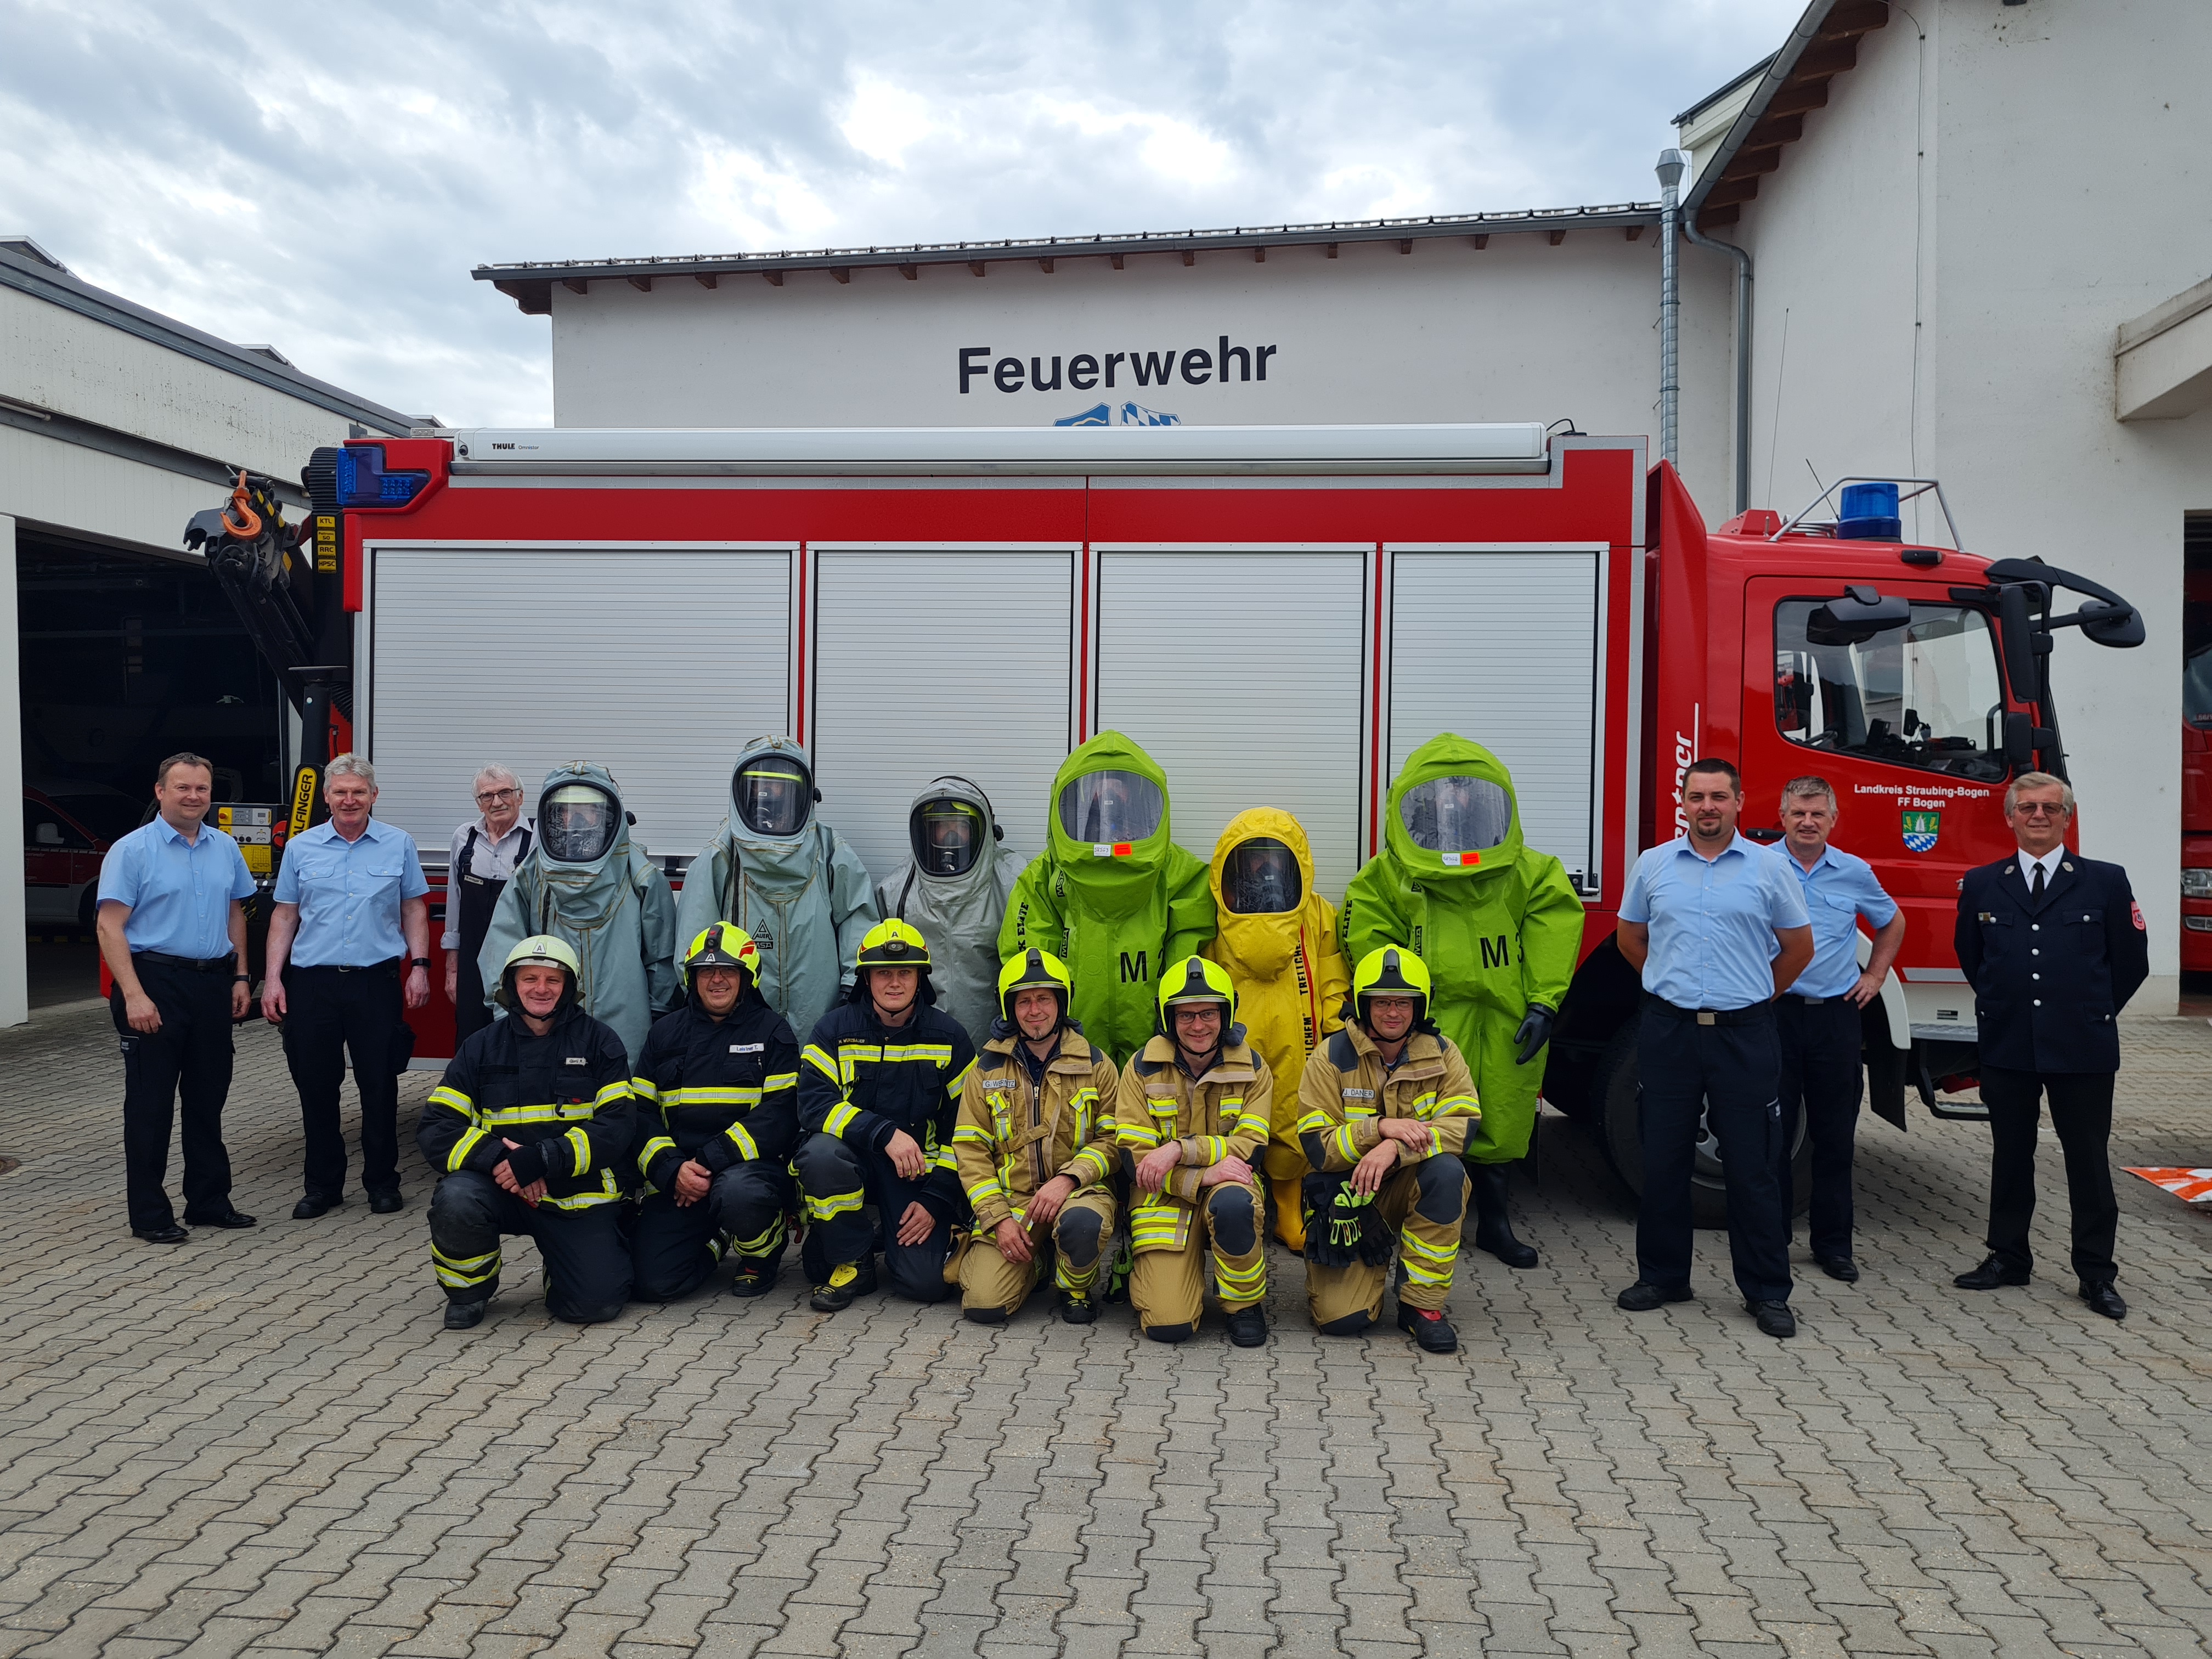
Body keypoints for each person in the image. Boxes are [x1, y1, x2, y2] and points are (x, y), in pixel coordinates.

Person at [1341, 734, 1582, 1268]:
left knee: (1500, 1112)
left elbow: (1554, 924)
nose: (1455, 803)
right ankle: (1422, 1218)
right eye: (1442, 793)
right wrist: (1392, 1011)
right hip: (1428, 1019)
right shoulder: (1392, 874)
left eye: (1466, 791)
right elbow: (1368, 931)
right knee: (1423, 1117)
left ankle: (1495, 1223)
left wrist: (1544, 1004)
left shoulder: (1527, 870)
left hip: (1503, 1016)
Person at [1612, 758, 1814, 1338]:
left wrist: (1755, 995)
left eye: (1719, 797)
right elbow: (1631, 937)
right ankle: (1664, 1276)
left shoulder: (1768, 867)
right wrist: (1665, 982)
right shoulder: (1654, 865)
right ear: (1683, 802)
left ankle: (1767, 1291)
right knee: (1664, 1160)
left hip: (1744, 1034)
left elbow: (1798, 947)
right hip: (1669, 1031)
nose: (1707, 807)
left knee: (1754, 1166)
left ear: (1739, 802)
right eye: (1697, 796)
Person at [1953, 772, 2148, 1321]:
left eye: (2051, 808)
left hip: (2081, 1046)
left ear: (2068, 817)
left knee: (2087, 1158)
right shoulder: (1984, 883)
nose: (2039, 816)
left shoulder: (2104, 882)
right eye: (2028, 808)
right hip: (2009, 1041)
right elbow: (1974, 956)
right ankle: (2008, 1257)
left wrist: (2091, 1011)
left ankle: (2096, 1273)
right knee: (2010, 1156)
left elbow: (2131, 962)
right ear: (2009, 817)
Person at [417, 935, 635, 1328]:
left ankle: (564, 1266)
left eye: (553, 980)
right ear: (511, 986)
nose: (541, 989)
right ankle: (470, 1292)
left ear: (569, 988)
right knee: (457, 1197)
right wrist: (504, 1160)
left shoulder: (600, 1042)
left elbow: (616, 1127)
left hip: (575, 1192)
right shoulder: (480, 1047)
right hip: (502, 1189)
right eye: (529, 978)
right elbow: (437, 1126)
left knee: (593, 1306)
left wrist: (543, 1159)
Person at [94, 752, 258, 1243]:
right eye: (183, 788)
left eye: (202, 789)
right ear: (160, 791)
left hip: (212, 984)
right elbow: (109, 926)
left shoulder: (225, 847)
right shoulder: (132, 851)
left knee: (208, 1101)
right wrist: (135, 995)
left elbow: (237, 915)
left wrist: (241, 976)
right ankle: (149, 1214)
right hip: (154, 983)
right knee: (151, 1106)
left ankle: (208, 1202)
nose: (193, 797)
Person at [262, 754, 431, 1219]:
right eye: (341, 792)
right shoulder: (301, 848)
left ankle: (382, 1184)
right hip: (312, 985)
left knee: (379, 1086)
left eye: (359, 791)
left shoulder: (398, 845)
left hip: (375, 984)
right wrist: (273, 979)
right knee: (316, 1087)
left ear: (374, 796)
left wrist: (419, 966)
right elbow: (285, 916)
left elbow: (414, 908)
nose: (350, 800)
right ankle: (322, 1186)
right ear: (327, 798)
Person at [1295, 946, 1477, 1353]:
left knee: (1447, 1173)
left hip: (1408, 1182)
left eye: (1403, 1002)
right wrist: (1376, 1129)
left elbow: (1463, 1127)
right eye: (1381, 1002)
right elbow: (1316, 1146)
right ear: (1363, 1004)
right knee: (1342, 1321)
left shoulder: (1444, 1054)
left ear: (1420, 1006)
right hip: (1349, 1197)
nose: (1392, 1012)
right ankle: (1363, 1278)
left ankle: (1421, 1306)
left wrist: (1393, 1147)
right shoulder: (1330, 1056)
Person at [794, 918, 977, 1310]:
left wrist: (937, 1200)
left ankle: (876, 1234)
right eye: (883, 974)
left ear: (920, 979)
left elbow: (966, 1129)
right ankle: (850, 1257)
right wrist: (884, 1133)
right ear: (866, 979)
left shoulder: (950, 1038)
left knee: (924, 1284)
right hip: (849, 1164)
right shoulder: (833, 1030)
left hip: (915, 1175)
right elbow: (813, 1104)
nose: (894, 983)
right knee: (820, 1154)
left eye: (905, 973)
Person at [1000, 731, 1216, 1062]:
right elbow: (1028, 956)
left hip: (1158, 1033)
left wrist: (1178, 1012)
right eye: (1100, 791)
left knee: (1146, 1108)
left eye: (1120, 788)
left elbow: (1189, 953)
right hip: (1068, 1034)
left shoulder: (1178, 874)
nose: (1110, 802)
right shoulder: (1046, 875)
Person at [1772, 776, 1906, 1283]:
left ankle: (1833, 1246)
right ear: (1783, 816)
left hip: (1834, 1018)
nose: (1808, 822)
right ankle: (1772, 1239)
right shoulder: (1760, 866)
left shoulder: (1853, 872)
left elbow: (1892, 922)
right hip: (1775, 1015)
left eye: (1817, 814)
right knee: (1773, 1135)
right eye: (1798, 813)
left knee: (1835, 1138)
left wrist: (1875, 976)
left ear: (1833, 820)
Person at [1201, 808, 1350, 1249]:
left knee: (1291, 1112)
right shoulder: (1214, 914)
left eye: (1275, 860)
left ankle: (1288, 1201)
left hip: (1296, 1032)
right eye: (1253, 860)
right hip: (1236, 1035)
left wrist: (1335, 1029)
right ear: (1232, 864)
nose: (1265, 871)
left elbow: (1331, 975)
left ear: (1296, 864)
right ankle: (1233, 1196)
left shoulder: (1317, 913)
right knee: (1228, 1111)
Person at [630, 924, 802, 1301]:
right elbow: (640, 1113)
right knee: (655, 1284)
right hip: (680, 1181)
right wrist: (671, 1169)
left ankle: (762, 1252)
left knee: (738, 1193)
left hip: (747, 1172)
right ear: (692, 978)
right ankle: (716, 1239)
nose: (717, 980)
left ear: (747, 977)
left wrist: (709, 1161)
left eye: (728, 971)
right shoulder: (664, 1034)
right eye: (706, 971)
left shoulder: (773, 1033)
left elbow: (780, 1116)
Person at [951, 949, 1122, 1324]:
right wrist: (998, 1220)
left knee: (1082, 1224)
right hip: (1014, 1203)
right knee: (983, 1306)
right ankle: (1040, 1259)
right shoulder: (986, 1069)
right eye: (1024, 1001)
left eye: (1044, 998)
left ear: (1062, 1003)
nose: (1035, 1010)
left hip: (1079, 1194)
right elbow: (971, 1151)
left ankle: (1075, 1287)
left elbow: (1114, 1141)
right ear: (1009, 1008)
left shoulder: (1097, 1065)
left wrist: (1068, 1179)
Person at [675, 736, 879, 1046]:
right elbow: (694, 947)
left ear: (805, 795)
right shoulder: (721, 856)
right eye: (762, 787)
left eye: (783, 788)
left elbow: (858, 922)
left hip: (822, 1017)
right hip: (737, 1024)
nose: (771, 798)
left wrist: (852, 991)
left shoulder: (830, 852)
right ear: (743, 793)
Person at [1110, 956, 1271, 1347]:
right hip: (1162, 1197)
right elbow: (1135, 1160)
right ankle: (1145, 1262)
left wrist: (1180, 1149)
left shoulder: (1253, 1068)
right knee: (1169, 1327)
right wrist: (1202, 1174)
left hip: (1231, 1186)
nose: (1198, 1026)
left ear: (1226, 1013)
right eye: (1185, 1016)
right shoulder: (1140, 1068)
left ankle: (1244, 1305)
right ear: (1168, 1019)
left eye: (1208, 1013)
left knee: (1235, 1204)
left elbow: (1251, 1149)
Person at [479, 763, 678, 1069]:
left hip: (626, 1025)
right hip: (545, 1022)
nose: (579, 819)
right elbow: (501, 953)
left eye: (591, 809)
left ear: (609, 815)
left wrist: (657, 1015)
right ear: (553, 816)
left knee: (621, 1102)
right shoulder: (530, 877)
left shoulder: (642, 877)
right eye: (568, 810)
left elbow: (662, 957)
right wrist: (512, 1014)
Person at [875, 777, 1020, 1049]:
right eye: (942, 826)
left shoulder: (1013, 882)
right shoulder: (896, 891)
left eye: (960, 826)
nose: (951, 835)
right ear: (926, 832)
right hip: (920, 1042)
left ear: (981, 829)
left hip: (998, 1042)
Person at [441, 764, 533, 1047]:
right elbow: (454, 901)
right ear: (478, 803)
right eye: (487, 796)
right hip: (472, 956)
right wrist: (453, 968)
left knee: (521, 1027)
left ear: (520, 796)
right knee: (471, 1030)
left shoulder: (538, 839)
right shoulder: (463, 837)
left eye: (505, 792)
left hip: (522, 953)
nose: (497, 802)